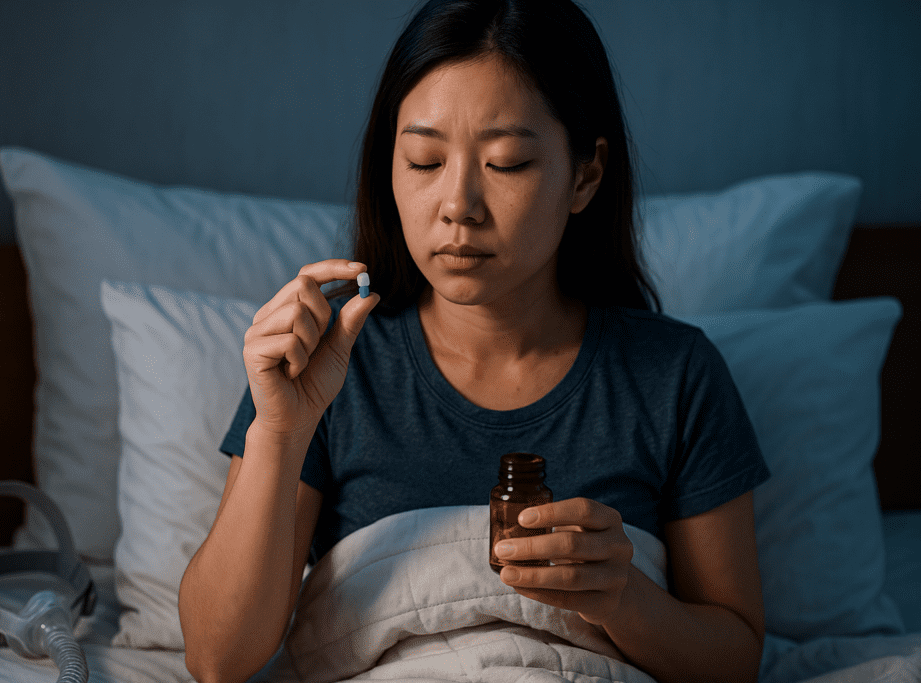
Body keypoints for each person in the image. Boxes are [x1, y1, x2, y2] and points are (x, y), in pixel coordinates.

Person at [178, 1, 771, 682]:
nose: (458, 203)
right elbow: (218, 659)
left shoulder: (676, 374)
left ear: (585, 175)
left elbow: (734, 659)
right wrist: (280, 429)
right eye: (424, 160)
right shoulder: (327, 368)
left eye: (508, 162)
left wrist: (624, 598)